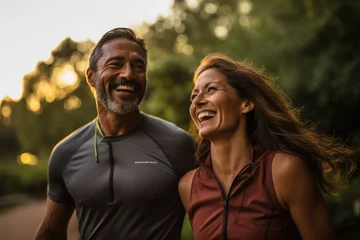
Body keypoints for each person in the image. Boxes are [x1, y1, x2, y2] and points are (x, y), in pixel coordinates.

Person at [34, 27, 195, 240]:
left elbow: (213, 222)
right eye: (115, 64)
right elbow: (50, 232)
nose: (128, 74)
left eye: (139, 66)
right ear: (91, 77)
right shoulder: (66, 152)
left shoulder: (178, 144)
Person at [178, 53, 358, 240]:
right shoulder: (189, 186)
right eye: (194, 95)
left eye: (211, 89)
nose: (197, 102)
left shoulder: (283, 171)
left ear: (246, 103)